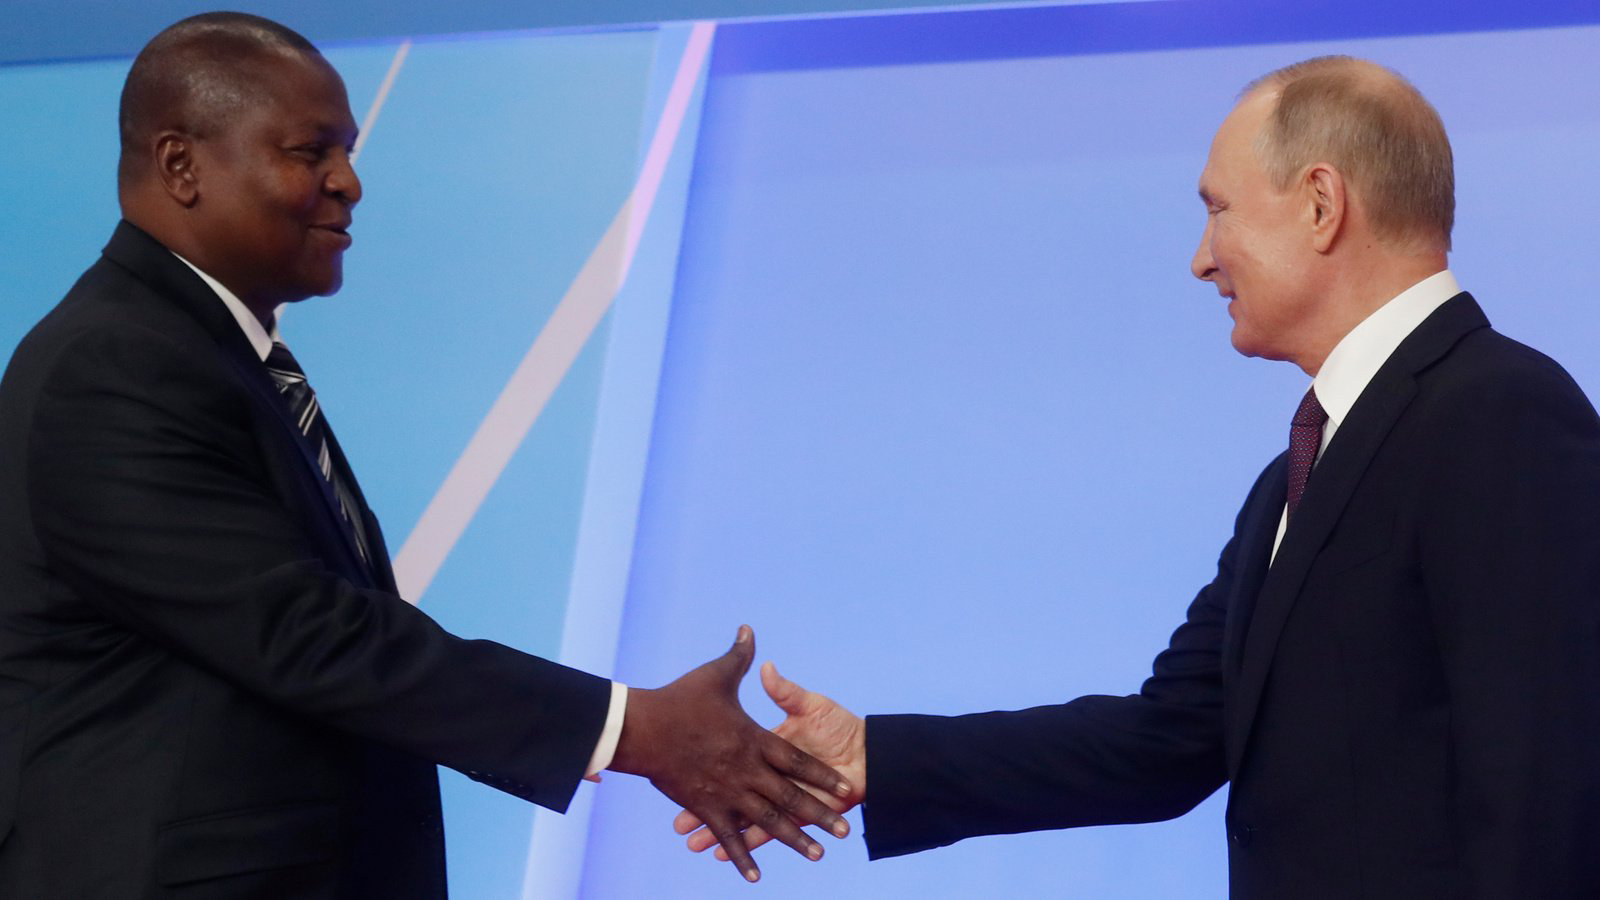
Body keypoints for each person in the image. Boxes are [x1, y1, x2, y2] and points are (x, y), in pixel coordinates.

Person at [677, 56, 1600, 898]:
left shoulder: (1500, 410)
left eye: (1219, 209)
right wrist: (872, 755)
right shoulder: (1295, 476)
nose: (1201, 258)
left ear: (1321, 203)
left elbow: (1550, 785)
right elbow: (1168, 741)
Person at [0, 12, 851, 898]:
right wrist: (631, 727)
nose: (349, 182)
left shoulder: (206, 356)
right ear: (181, 165)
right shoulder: (113, 365)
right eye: (310, 151)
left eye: (348, 150)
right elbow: (304, 634)